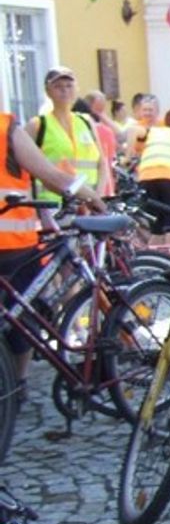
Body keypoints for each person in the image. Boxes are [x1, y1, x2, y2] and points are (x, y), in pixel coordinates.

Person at [0, 108, 104, 393]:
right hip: (13, 246)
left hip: (13, 245)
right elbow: (49, 175)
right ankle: (16, 387)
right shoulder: (5, 127)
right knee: (21, 321)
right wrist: (91, 195)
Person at [24, 67, 105, 204]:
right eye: (57, 86)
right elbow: (24, 165)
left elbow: (102, 163)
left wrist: (97, 196)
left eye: (69, 85)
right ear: (48, 92)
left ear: (77, 89)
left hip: (89, 204)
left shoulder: (86, 122)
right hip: (53, 203)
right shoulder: (38, 124)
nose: (64, 90)